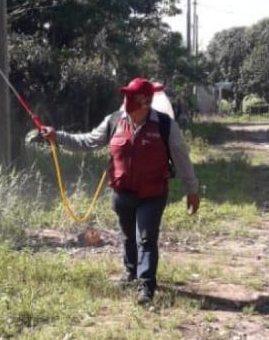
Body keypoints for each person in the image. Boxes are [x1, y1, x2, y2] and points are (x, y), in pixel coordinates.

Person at [39, 77, 200, 305]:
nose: (127, 101)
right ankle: (131, 273)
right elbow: (87, 141)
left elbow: (182, 159)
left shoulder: (165, 125)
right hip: (123, 193)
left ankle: (146, 286)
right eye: (126, 96)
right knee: (127, 237)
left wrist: (192, 190)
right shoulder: (114, 121)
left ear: (145, 102)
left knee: (145, 238)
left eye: (132, 97)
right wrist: (58, 136)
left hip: (152, 194)